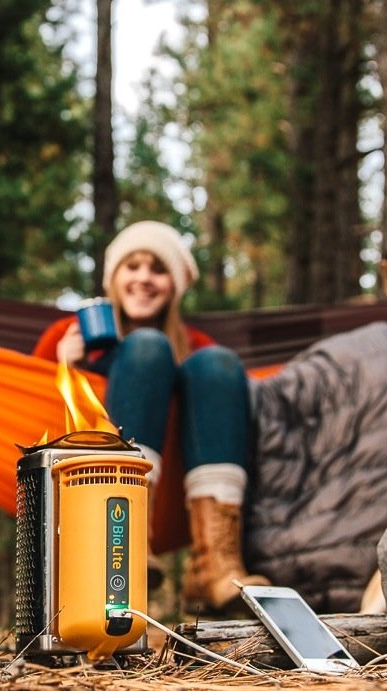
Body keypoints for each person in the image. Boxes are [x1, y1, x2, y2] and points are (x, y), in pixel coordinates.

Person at [32, 221, 267, 610]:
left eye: (158, 269)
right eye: (132, 266)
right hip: (85, 479)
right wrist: (64, 367)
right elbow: (27, 409)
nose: (144, 278)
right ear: (113, 278)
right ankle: (124, 543)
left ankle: (216, 565)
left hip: (181, 478)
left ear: (175, 285)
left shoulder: (198, 348)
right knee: (146, 347)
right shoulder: (68, 334)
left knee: (219, 363)